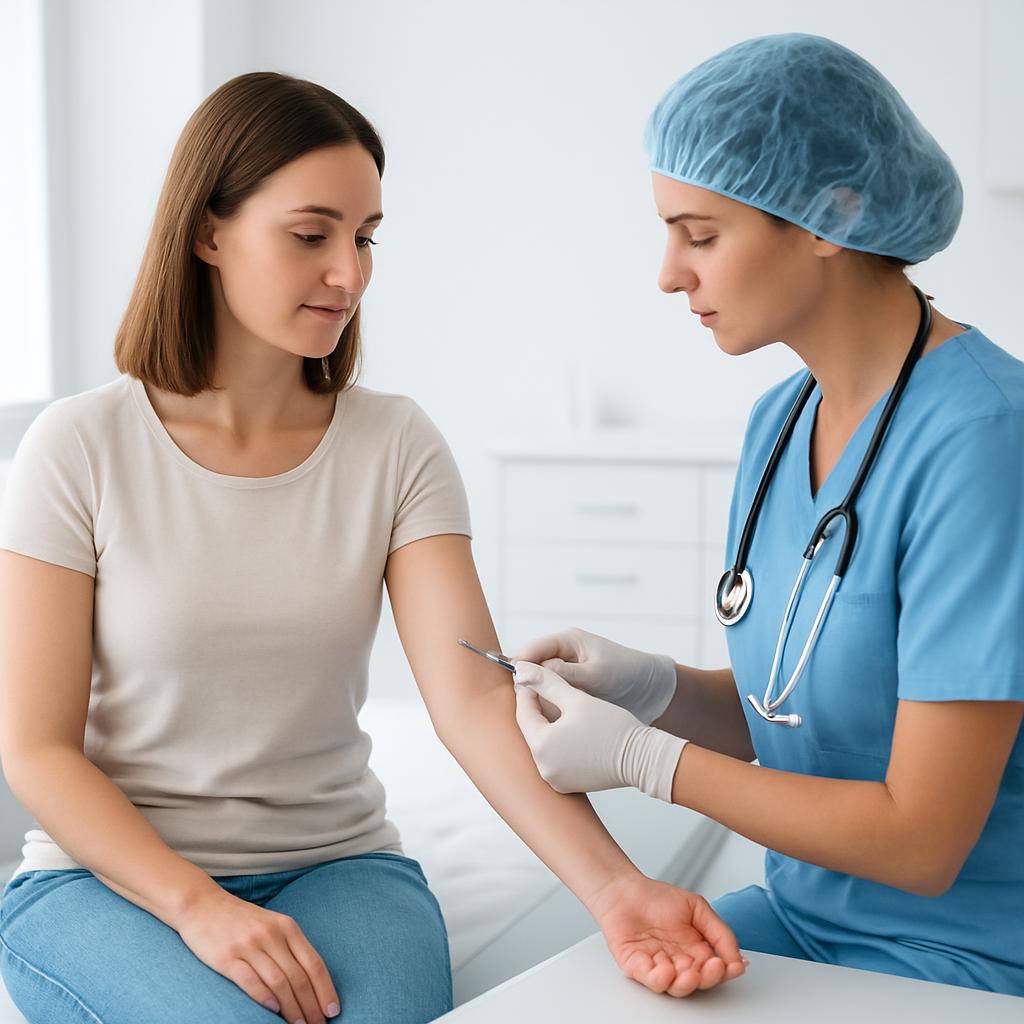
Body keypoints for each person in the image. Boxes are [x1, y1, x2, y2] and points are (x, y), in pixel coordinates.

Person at [0, 73, 745, 1024]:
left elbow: (474, 698)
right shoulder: (79, 447)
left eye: (365, 238)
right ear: (208, 232)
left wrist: (615, 890)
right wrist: (200, 907)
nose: (349, 274)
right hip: (105, 882)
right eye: (311, 235)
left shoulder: (395, 444)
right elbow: (37, 750)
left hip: (339, 867)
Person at [513, 33, 1024, 997]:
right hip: (796, 916)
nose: (669, 274)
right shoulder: (780, 422)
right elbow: (795, 713)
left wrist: (645, 761)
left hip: (963, 954)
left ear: (830, 216)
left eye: (700, 235)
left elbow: (921, 842)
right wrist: (654, 691)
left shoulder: (988, 442)